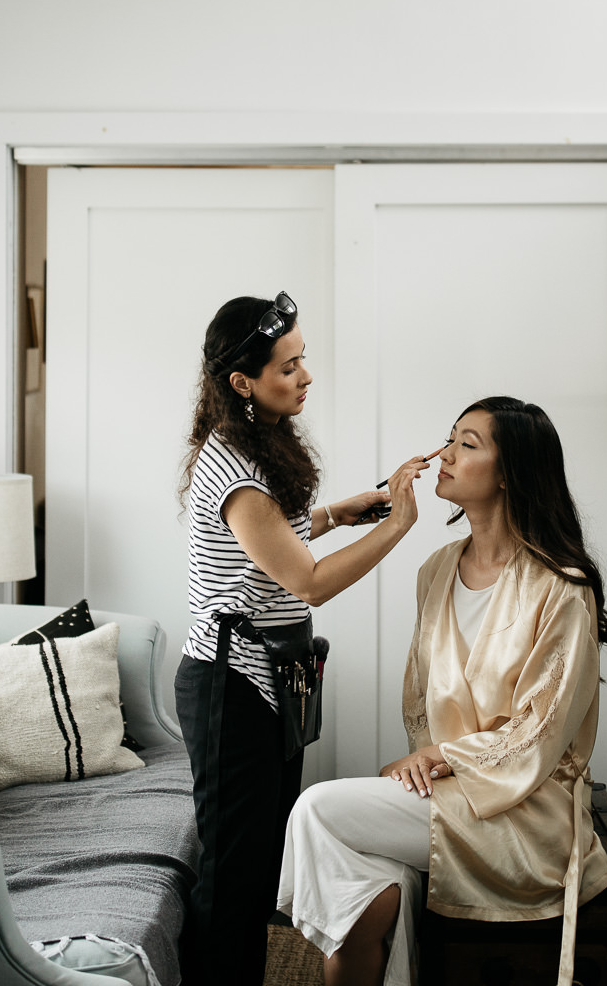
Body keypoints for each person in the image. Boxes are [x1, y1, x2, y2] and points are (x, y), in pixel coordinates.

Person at [277, 396, 607, 986]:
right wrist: (426, 761)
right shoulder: (437, 570)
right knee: (366, 885)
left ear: (510, 473)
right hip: (447, 791)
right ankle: (380, 927)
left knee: (317, 810)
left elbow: (541, 731)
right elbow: (420, 698)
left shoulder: (561, 588)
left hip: (523, 809)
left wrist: (440, 757)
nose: (443, 454)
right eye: (449, 439)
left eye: (467, 444)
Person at [176, 292, 437, 986]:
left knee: (261, 865)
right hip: (231, 685)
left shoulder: (258, 442)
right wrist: (397, 525)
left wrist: (335, 514)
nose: (305, 376)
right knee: (234, 878)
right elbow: (309, 582)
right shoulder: (234, 469)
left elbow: (269, 543)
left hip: (271, 679)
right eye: (288, 367)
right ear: (243, 383)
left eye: (302, 360)